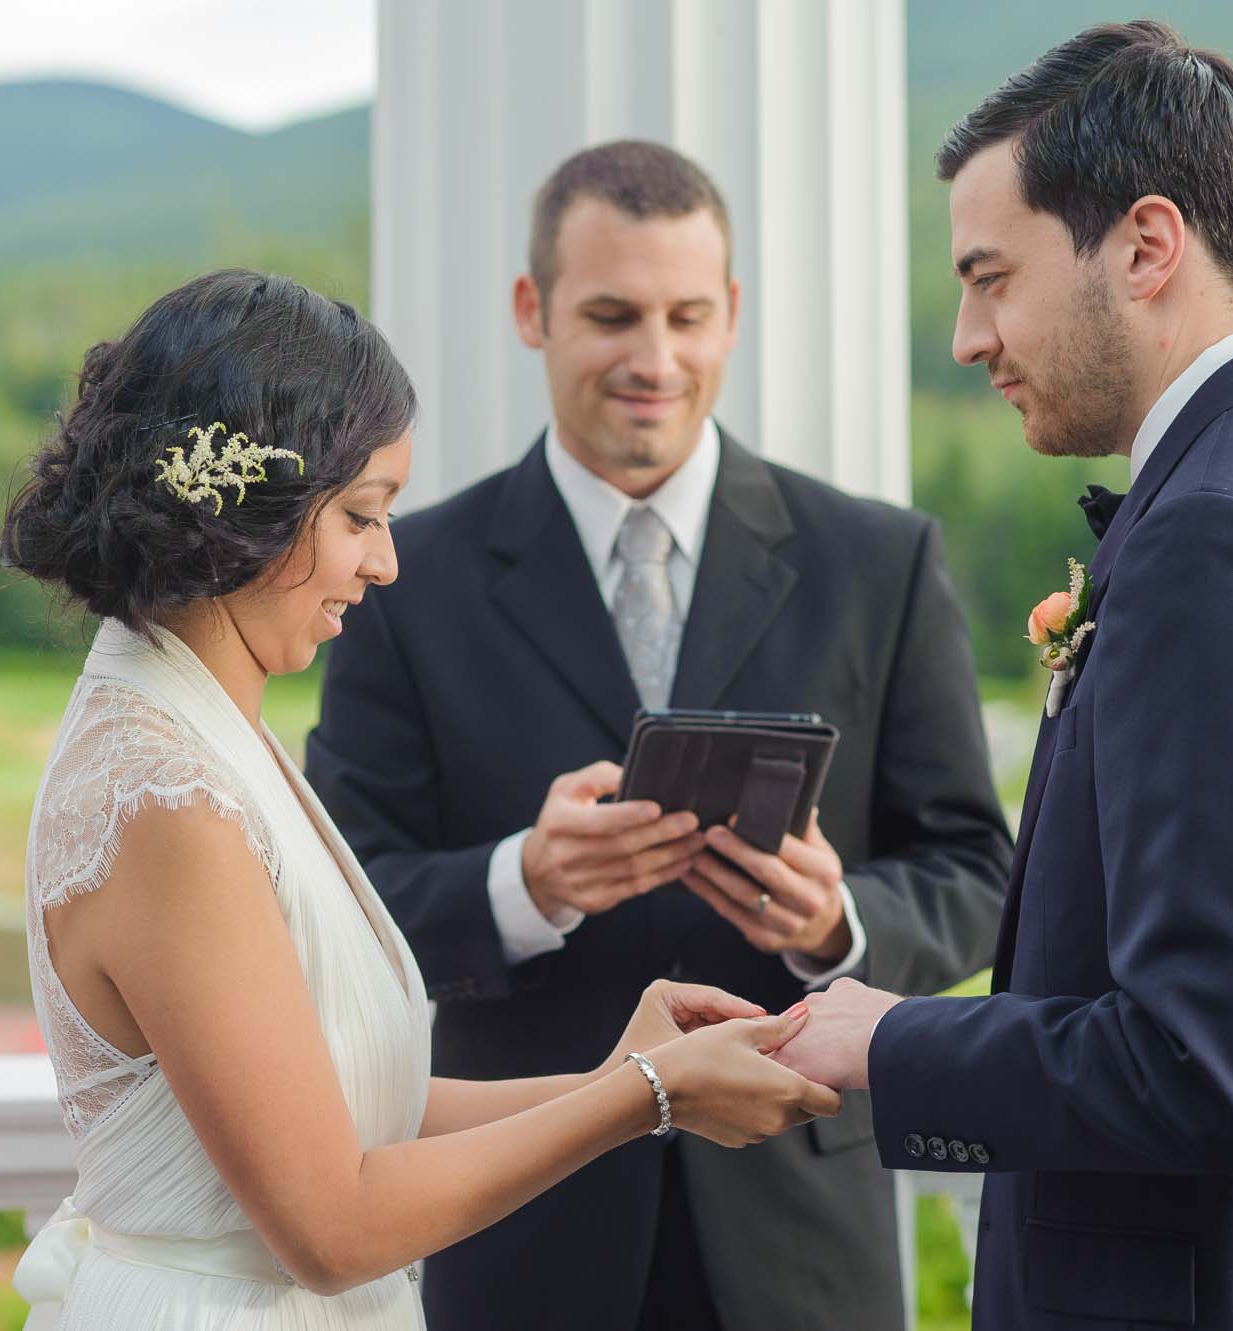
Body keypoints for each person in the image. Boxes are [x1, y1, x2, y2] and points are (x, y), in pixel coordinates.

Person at [776, 21, 1233, 1330]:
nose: (967, 337)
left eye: (991, 278)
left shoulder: (1218, 535)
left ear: (1147, 246)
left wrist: (886, 1035)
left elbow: (1202, 1061)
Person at [0, 268, 839, 1331]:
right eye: (360, 515)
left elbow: (356, 1112)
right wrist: (647, 1097)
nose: (387, 562)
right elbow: (331, 1226)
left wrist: (630, 1073)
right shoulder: (169, 795)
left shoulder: (202, 729)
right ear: (247, 511)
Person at [307, 142, 1012, 1331]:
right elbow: (338, 910)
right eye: (611, 315)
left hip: (801, 1245)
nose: (654, 358)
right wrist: (522, 885)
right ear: (531, 310)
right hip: (522, 1236)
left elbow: (977, 870)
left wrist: (838, 923)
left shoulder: (877, 562)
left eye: (687, 316)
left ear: (729, 313)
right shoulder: (402, 580)